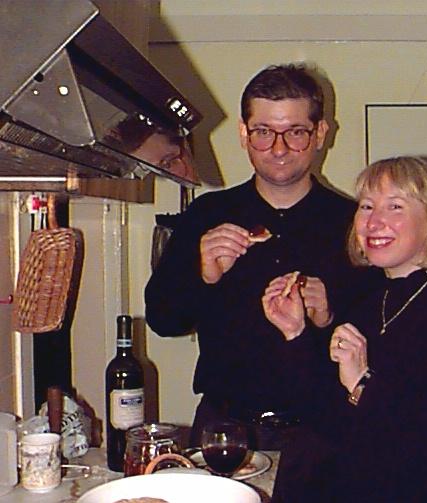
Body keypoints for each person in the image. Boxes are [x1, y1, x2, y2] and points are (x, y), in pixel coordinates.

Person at [145, 63, 378, 500]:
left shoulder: (354, 223)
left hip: (323, 428)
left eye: (295, 132)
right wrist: (203, 274)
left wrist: (330, 315)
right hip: (223, 429)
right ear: (244, 133)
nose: (279, 148)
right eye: (264, 132)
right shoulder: (206, 215)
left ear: (320, 133)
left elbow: (384, 335)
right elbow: (163, 320)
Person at [263, 155, 427, 502]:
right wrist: (295, 334)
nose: (374, 221)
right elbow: (326, 420)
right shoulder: (368, 303)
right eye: (367, 206)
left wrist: (362, 382)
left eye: (395, 206)